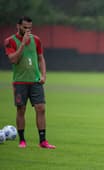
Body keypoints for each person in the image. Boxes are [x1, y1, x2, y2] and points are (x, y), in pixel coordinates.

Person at [4, 16, 56, 149]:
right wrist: (22, 44)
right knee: (21, 110)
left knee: (41, 108)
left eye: (30, 28)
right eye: (25, 27)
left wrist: (43, 75)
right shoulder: (10, 41)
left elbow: (40, 58)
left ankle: (43, 141)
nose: (28, 30)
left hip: (35, 81)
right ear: (18, 26)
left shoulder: (36, 40)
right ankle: (22, 140)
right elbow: (13, 60)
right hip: (20, 82)